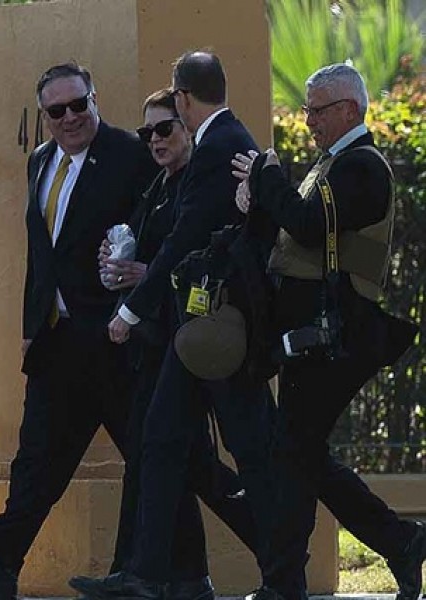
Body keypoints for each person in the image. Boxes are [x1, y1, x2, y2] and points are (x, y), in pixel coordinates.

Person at [0, 62, 159, 600]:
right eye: (58, 110)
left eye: (80, 104)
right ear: (46, 117)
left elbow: (157, 234)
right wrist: (33, 324)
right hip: (58, 341)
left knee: (160, 456)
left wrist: (135, 305)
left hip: (114, 338)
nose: (71, 117)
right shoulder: (40, 162)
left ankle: (243, 558)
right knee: (37, 460)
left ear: (94, 99)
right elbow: (43, 255)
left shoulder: (129, 156)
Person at [232, 62, 425, 600]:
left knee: (294, 448)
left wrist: (266, 176)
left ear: (349, 110)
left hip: (338, 333)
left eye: (316, 110)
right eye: (307, 110)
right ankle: (394, 543)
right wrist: (257, 199)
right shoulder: (332, 163)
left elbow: (309, 223)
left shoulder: (362, 168)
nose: (308, 119)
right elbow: (297, 232)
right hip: (311, 332)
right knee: (298, 449)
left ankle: (290, 580)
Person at [99, 51, 277, 600]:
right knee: (162, 440)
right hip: (194, 326)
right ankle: (147, 574)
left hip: (216, 327)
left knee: (253, 452)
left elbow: (184, 241)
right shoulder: (223, 144)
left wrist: (131, 309)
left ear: (182, 98)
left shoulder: (220, 147)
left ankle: (284, 572)